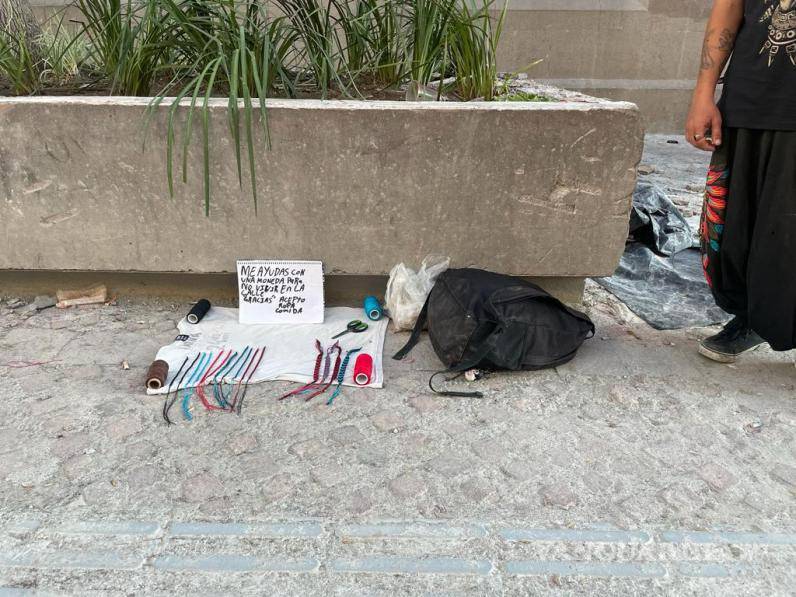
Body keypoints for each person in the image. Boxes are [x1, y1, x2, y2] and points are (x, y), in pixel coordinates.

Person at [685, 0, 796, 363]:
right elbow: (730, 5)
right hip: (752, 96)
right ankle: (753, 317)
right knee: (736, 230)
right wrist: (704, 93)